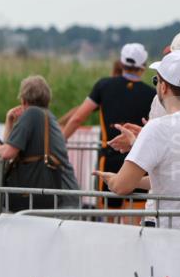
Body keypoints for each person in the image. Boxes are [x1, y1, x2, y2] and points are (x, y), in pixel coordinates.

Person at [95, 50, 180, 232]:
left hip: (175, 236)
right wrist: (139, 147)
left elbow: (121, 186)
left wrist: (112, 180)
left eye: (156, 81)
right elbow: (177, 175)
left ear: (164, 87)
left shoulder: (158, 128)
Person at [61, 43, 155, 209]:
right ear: (143, 66)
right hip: (139, 161)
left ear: (121, 63)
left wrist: (59, 143)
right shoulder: (152, 94)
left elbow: (78, 118)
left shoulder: (103, 85)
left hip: (110, 159)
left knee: (108, 216)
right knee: (135, 218)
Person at [0, 76, 79, 211]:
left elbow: (7, 153)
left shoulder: (32, 113)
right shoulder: (47, 115)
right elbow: (10, 146)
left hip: (58, 201)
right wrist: (10, 122)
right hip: (64, 197)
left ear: (23, 100)